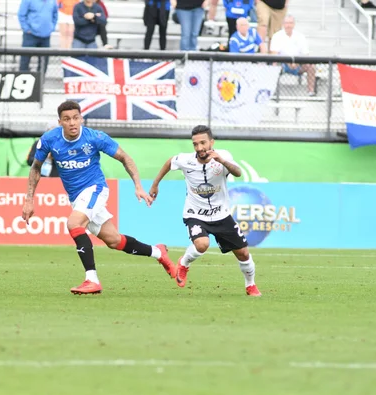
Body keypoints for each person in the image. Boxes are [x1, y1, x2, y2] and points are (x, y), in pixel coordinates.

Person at [22, 100, 176, 295]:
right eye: (67, 119)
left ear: (81, 119)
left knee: (74, 223)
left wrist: (138, 186)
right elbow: (36, 167)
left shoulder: (95, 138)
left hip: (96, 189)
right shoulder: (49, 140)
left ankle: (91, 279)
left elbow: (125, 158)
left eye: (76, 118)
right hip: (77, 197)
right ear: (60, 121)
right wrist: (29, 199)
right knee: (114, 241)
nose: (72, 123)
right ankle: (158, 252)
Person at [148, 125, 262, 297]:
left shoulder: (224, 156)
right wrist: (155, 184)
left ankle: (250, 285)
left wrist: (222, 161)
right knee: (202, 244)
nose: (200, 148)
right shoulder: (185, 160)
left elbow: (237, 172)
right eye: (195, 144)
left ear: (211, 142)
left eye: (203, 143)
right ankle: (184, 263)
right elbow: (169, 162)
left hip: (221, 215)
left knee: (243, 253)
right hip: (195, 214)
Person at [270, 15, 316, 96]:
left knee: (311, 66)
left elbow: (306, 54)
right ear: (283, 24)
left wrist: (297, 63)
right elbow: (274, 54)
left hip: (298, 64)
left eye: (290, 23)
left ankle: (311, 91)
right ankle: (273, 89)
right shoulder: (277, 36)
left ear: (294, 24)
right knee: (274, 64)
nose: (288, 25)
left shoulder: (300, 36)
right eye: (287, 23)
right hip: (282, 64)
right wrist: (288, 63)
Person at [18, 0, 58, 73]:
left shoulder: (52, 1)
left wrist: (52, 27)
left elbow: (55, 14)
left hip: (46, 36)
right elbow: (21, 15)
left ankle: (41, 81)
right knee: (25, 59)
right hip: (30, 35)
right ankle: (22, 79)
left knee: (44, 62)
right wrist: (27, 29)